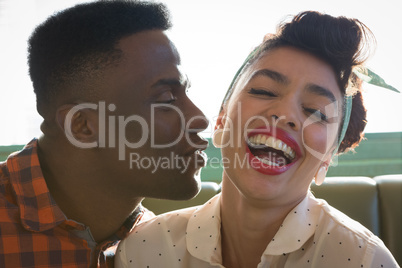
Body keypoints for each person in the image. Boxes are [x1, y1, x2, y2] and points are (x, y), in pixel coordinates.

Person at [115, 11, 399, 268]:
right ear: (222, 120)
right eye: (264, 91)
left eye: (315, 112)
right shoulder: (141, 251)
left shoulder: (365, 261)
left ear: (327, 159)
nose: (285, 114)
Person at [0, 1, 209, 267]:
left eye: (185, 92)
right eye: (167, 98)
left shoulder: (161, 245)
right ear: (82, 126)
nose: (200, 119)